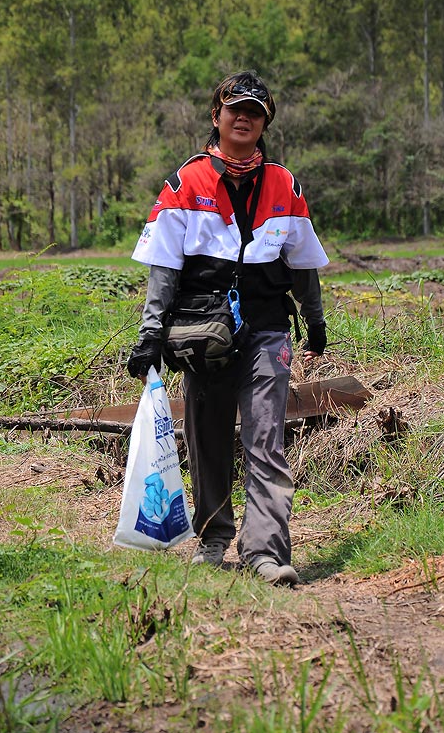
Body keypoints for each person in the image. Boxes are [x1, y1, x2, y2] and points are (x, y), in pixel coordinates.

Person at [127, 70, 328, 585]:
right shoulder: (184, 182)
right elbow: (164, 268)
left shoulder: (285, 183)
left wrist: (314, 317)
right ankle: (214, 539)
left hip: (266, 329)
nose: (244, 117)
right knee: (208, 438)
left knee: (265, 438)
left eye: (256, 112)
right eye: (235, 108)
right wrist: (151, 333)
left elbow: (302, 263)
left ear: (265, 124)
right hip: (200, 333)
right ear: (216, 116)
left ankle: (265, 552)